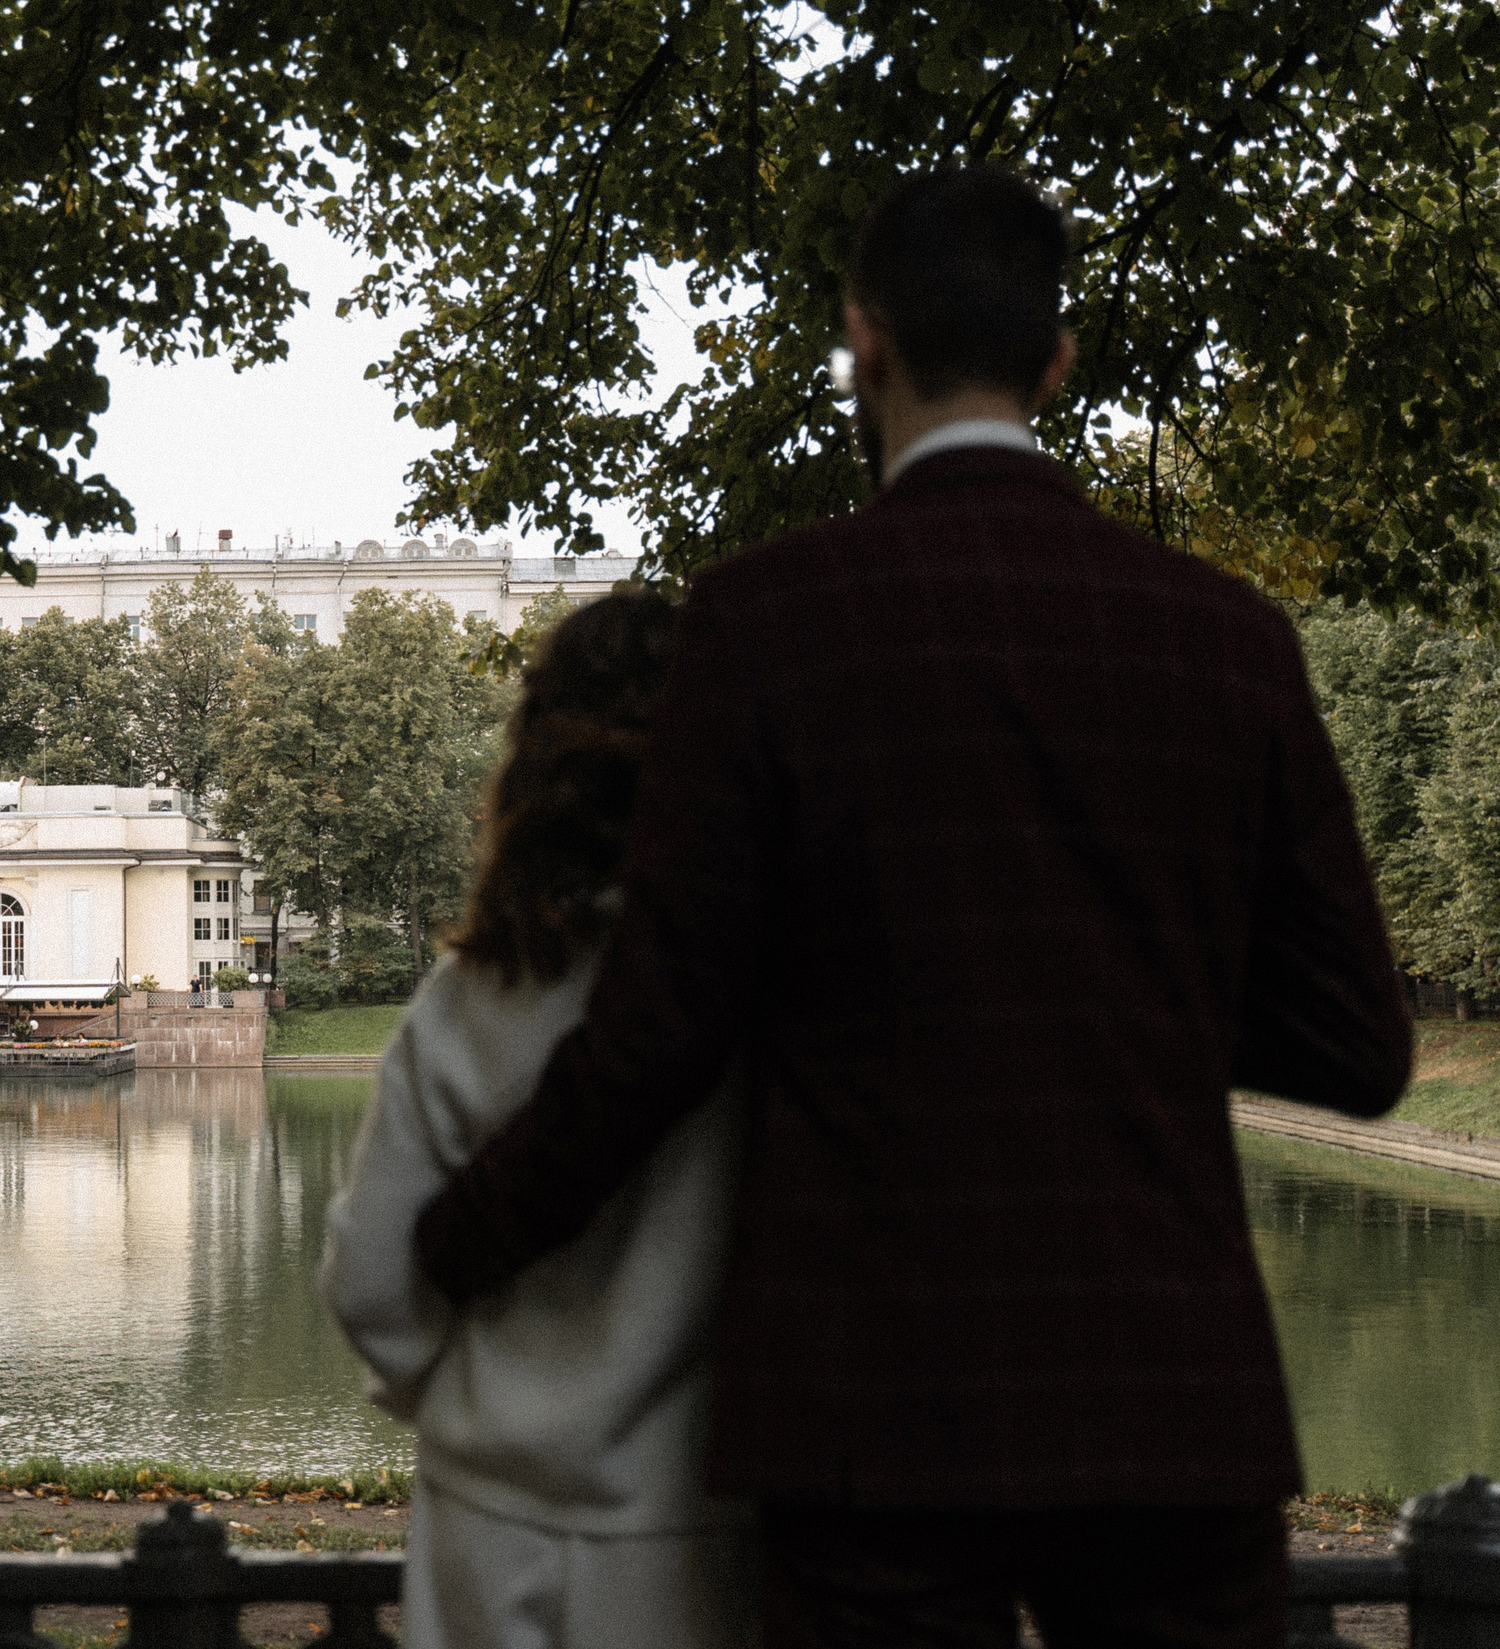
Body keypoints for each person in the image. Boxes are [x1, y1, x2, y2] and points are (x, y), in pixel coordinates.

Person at [412, 167, 1412, 1649]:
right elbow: (1358, 1043)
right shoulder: (1228, 640)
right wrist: (1144, 985)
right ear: (1056, 362)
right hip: (1165, 1392)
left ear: (861, 341)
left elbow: (661, 1027)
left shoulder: (767, 624)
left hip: (872, 1403)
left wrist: (458, 1237)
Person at [320, 591, 758, 1649]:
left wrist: (476, 1400)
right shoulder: (766, 1003)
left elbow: (371, 1282)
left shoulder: (468, 1004)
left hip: (490, 1509)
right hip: (700, 1511)